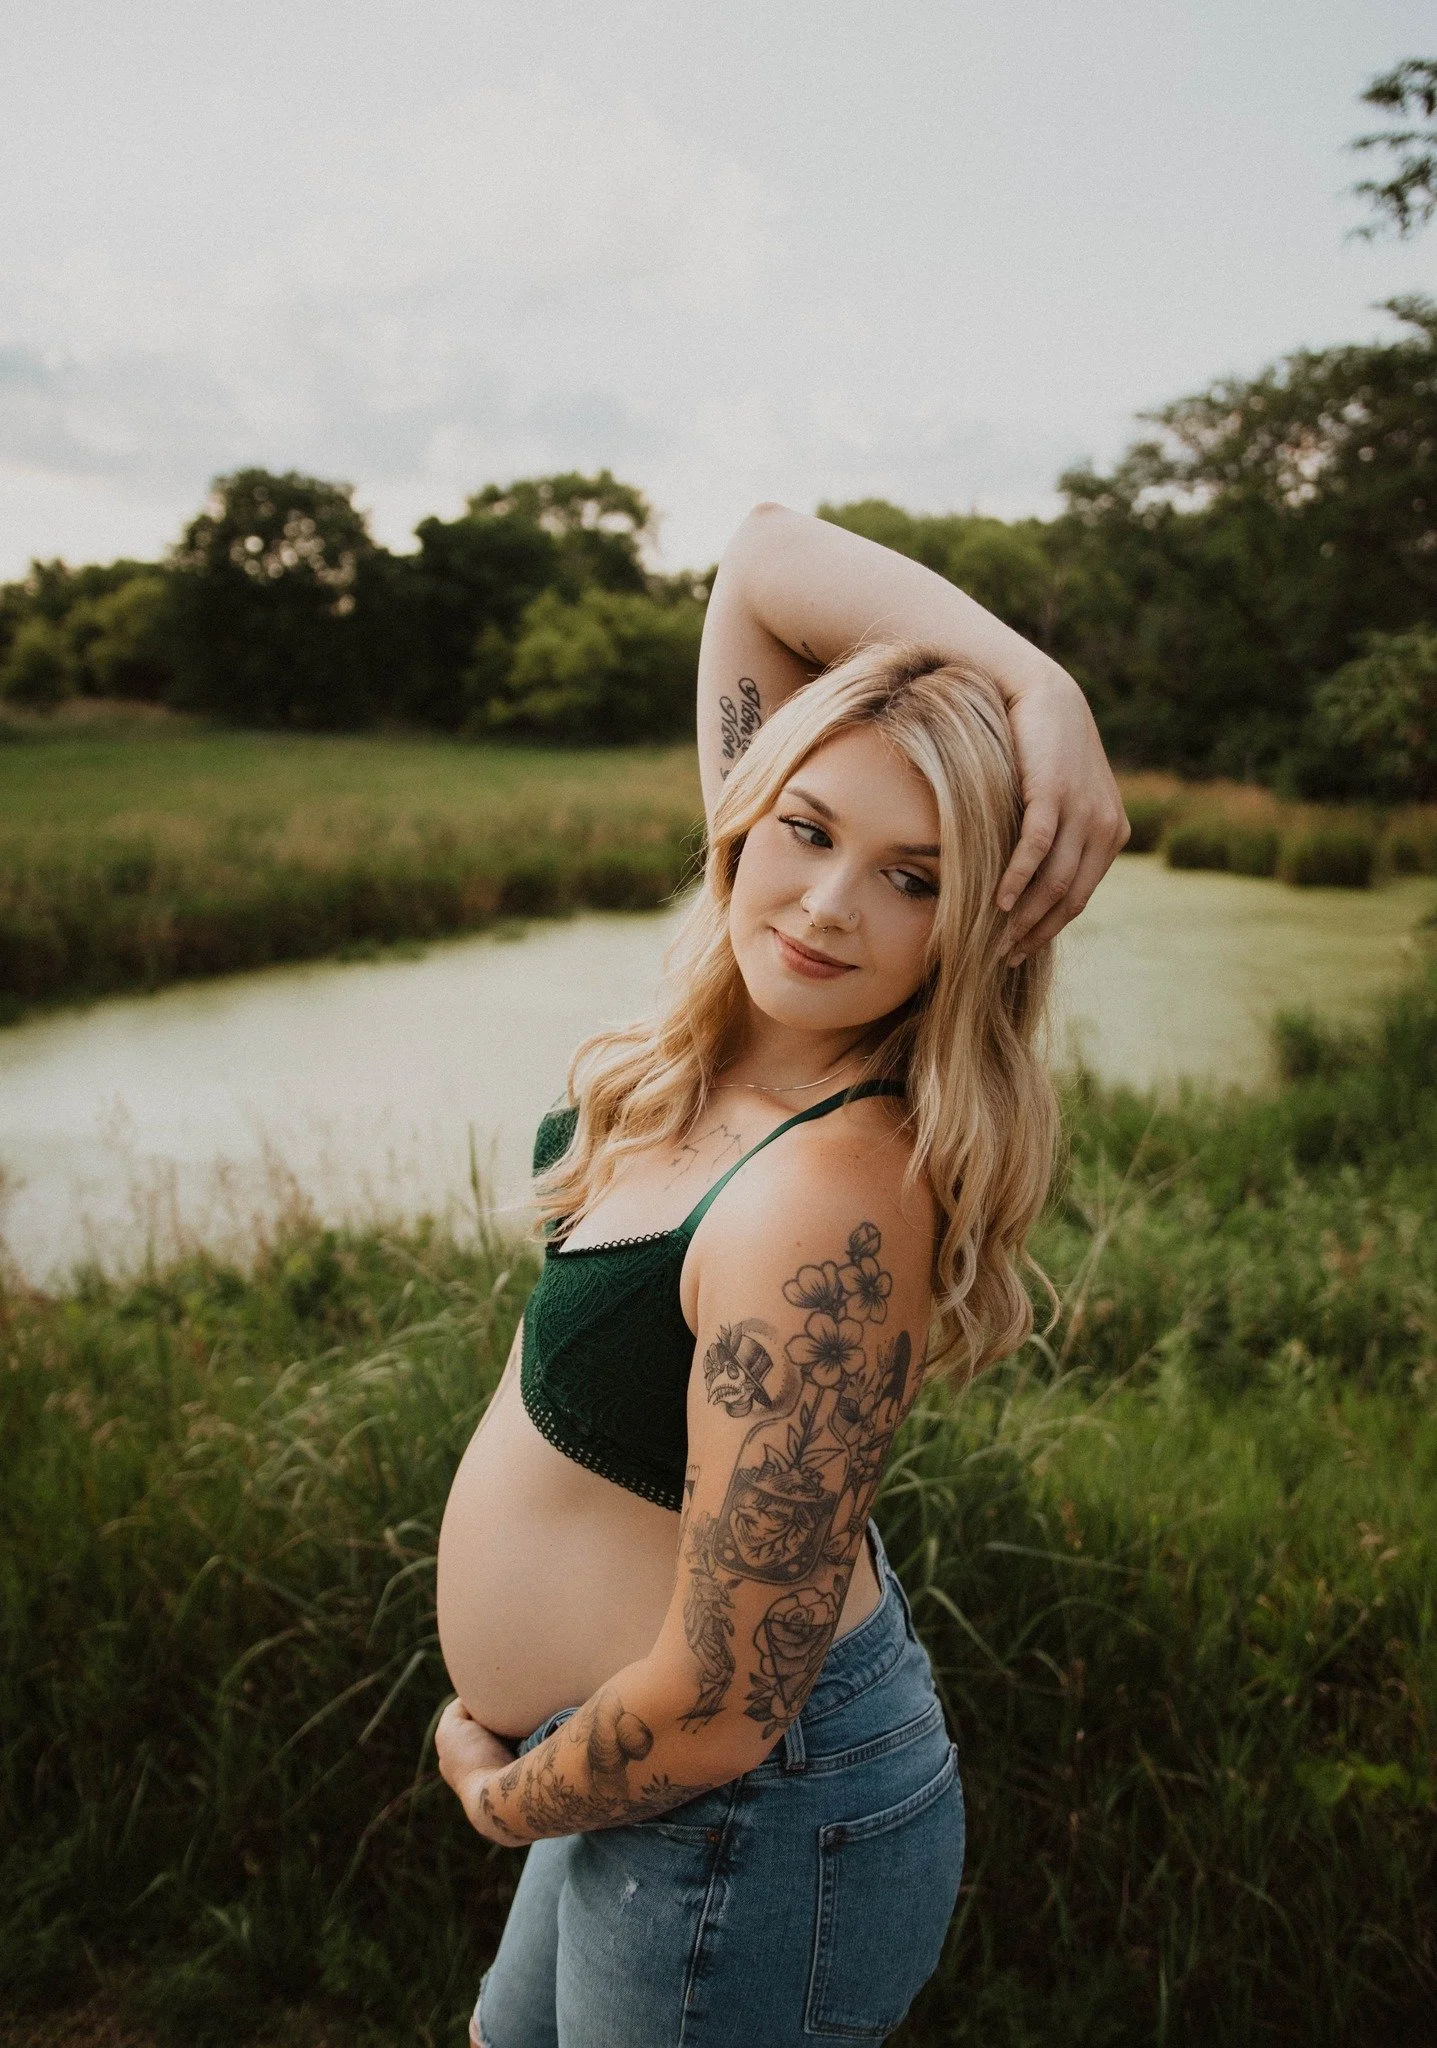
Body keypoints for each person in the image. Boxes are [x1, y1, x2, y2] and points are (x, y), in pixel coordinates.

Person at [434, 502, 1128, 2047]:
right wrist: (1039, 688)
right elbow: (760, 560)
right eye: (808, 829)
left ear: (983, 927)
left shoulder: (830, 1194)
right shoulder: (752, 980)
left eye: (917, 878)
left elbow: (731, 1697)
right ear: (753, 810)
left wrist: (505, 1799)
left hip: (738, 1801)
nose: (826, 904)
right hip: (642, 1754)